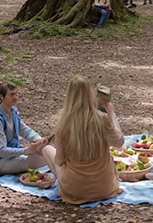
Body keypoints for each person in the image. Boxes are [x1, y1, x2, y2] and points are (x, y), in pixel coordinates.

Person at [41, 75, 124, 205]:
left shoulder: (63, 124)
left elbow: (59, 160)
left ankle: (62, 183)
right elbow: (119, 143)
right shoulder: (101, 118)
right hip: (105, 188)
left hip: (74, 190)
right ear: (90, 93)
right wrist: (111, 113)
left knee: (46, 149)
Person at [0, 82, 48, 176]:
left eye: (16, 94)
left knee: (45, 152)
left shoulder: (12, 112)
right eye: (12, 95)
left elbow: (25, 130)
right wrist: (26, 151)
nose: (16, 97)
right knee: (42, 159)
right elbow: (2, 151)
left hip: (13, 157)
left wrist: (39, 140)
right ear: (1, 97)